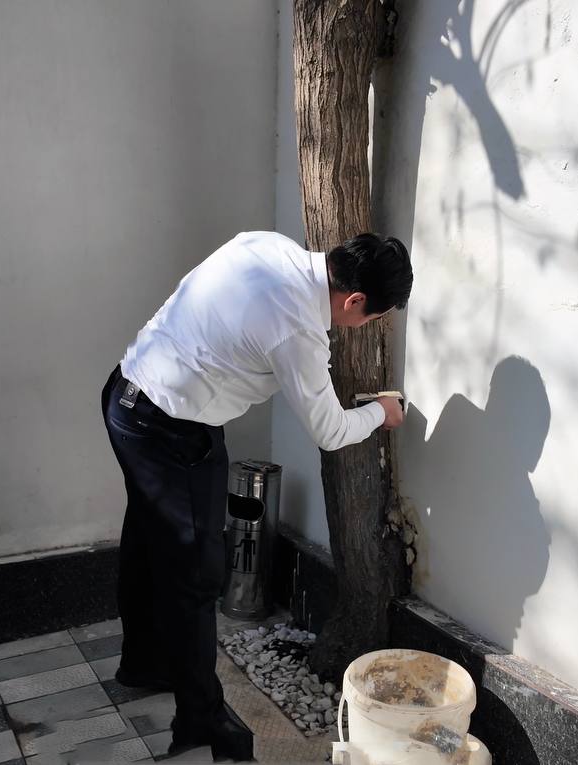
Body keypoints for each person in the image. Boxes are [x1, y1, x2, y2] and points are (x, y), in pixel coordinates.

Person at [100, 230, 412, 760]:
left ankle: (144, 662)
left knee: (146, 541)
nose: (366, 326)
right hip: (169, 431)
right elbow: (331, 430)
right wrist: (381, 412)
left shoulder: (267, 246)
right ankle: (201, 719)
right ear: (354, 299)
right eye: (373, 317)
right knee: (197, 576)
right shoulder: (298, 330)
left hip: (126, 397)